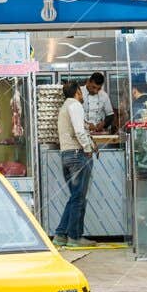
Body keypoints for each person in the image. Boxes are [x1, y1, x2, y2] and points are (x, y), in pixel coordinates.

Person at [55, 79, 96, 244]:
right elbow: (79, 131)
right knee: (78, 197)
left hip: (66, 155)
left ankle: (60, 234)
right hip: (77, 155)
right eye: (81, 91)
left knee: (75, 196)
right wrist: (87, 148)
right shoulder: (75, 105)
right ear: (77, 92)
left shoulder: (65, 107)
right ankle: (74, 237)